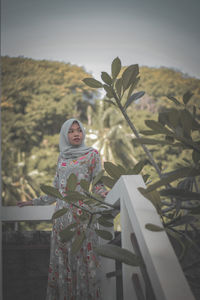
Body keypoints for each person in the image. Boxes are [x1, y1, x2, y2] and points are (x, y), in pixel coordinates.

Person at [18, 118, 108, 300]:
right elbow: (55, 191)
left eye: (79, 130)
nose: (76, 134)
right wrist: (34, 202)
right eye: (71, 131)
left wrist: (105, 195)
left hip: (83, 218)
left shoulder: (92, 154)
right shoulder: (62, 157)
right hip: (62, 219)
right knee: (63, 262)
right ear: (65, 135)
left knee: (85, 262)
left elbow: (98, 186)